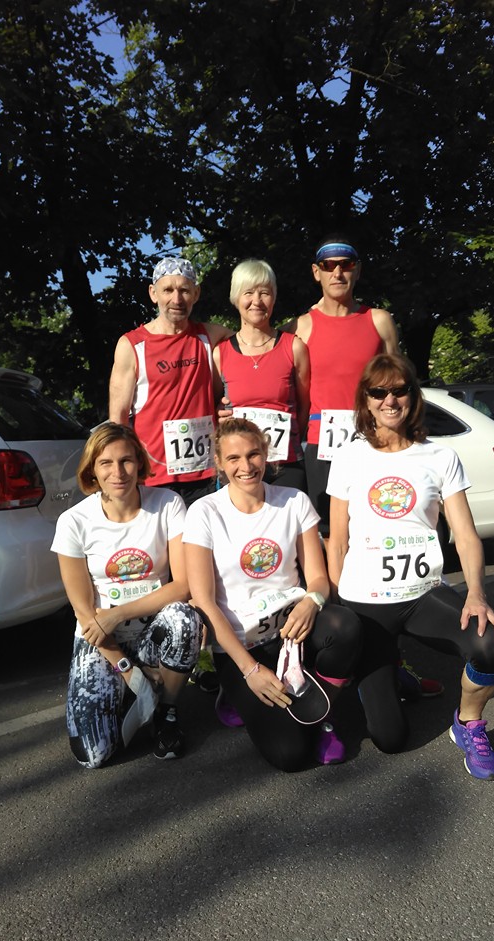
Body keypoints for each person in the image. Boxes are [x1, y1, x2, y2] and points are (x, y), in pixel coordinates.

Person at [327, 353, 494, 780]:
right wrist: (340, 610)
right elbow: (337, 540)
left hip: (424, 594)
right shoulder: (349, 458)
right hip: (365, 604)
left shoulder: (440, 457)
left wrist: (477, 595)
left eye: (400, 390)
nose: (390, 400)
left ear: (413, 395)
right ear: (366, 400)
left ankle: (468, 723)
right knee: (390, 739)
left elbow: (465, 535)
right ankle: (391, 669)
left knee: (492, 645)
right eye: (379, 392)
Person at [182, 418, 363, 771]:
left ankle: (323, 711)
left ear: (266, 454)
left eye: (253, 455)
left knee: (345, 626)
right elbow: (203, 601)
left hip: (295, 635)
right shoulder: (204, 513)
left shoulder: (293, 501)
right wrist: (249, 671)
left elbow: (318, 579)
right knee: (290, 755)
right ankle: (234, 691)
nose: (246, 466)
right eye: (233, 458)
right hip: (242, 646)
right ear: (219, 462)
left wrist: (313, 601)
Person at [51, 422, 203, 768]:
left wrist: (120, 612)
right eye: (106, 463)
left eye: (126, 461)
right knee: (94, 755)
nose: (118, 472)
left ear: (140, 463)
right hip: (103, 639)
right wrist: (127, 670)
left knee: (185, 620)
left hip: (152, 629)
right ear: (92, 469)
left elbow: (183, 586)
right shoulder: (74, 521)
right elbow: (85, 613)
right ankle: (131, 689)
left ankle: (167, 711)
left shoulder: (168, 504)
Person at [285, 234, 399, 536]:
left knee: (374, 521)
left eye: (345, 265)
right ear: (316, 272)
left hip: (372, 440)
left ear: (357, 270)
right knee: (326, 528)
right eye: (329, 265)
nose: (337, 273)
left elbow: (399, 384)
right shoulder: (300, 327)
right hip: (321, 444)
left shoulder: (379, 320)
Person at [108, 255, 229, 508]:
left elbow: (259, 340)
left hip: (204, 474)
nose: (177, 299)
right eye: (168, 290)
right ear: (153, 293)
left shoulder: (211, 335)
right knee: (160, 548)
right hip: (153, 475)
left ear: (196, 294)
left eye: (184, 290)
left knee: (201, 548)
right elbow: (118, 419)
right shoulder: (131, 344)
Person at [214, 258, 310, 491]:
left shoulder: (294, 347)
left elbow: (305, 406)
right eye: (248, 292)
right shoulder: (221, 353)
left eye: (264, 293)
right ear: (236, 298)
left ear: (274, 297)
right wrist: (219, 414)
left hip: (286, 464)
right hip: (240, 467)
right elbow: (214, 407)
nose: (256, 301)